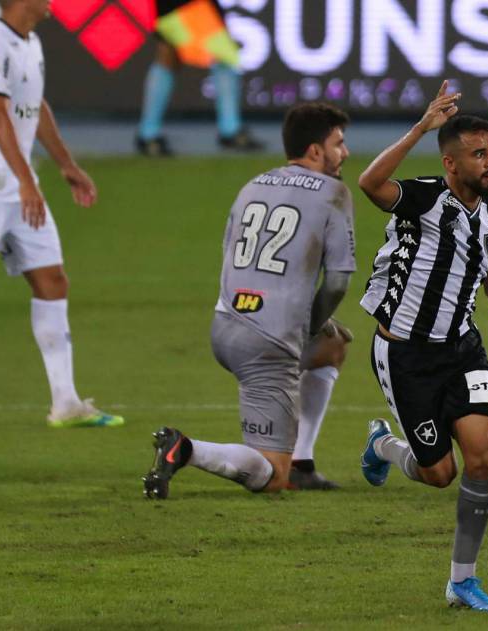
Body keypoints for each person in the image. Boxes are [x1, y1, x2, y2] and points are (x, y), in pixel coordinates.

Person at [356, 82, 488, 612]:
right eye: (479, 154)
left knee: (483, 457)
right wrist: (420, 126)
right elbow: (369, 182)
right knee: (439, 473)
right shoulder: (420, 199)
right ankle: (383, 447)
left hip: (463, 349)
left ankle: (462, 581)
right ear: (449, 162)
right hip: (405, 356)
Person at [0, 0, 123, 432]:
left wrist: (66, 164)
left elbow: (35, 107)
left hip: (18, 186)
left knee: (52, 279)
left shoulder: (31, 42)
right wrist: (28, 180)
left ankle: (65, 401)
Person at [143, 102, 355, 498]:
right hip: (268, 344)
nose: (345, 153)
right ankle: (185, 449)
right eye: (338, 144)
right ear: (314, 151)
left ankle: (303, 463)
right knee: (273, 476)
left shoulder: (253, 184)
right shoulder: (333, 192)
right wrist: (306, 322)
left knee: (332, 345)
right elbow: (339, 281)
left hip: (226, 325)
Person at [133, 0, 264, 157]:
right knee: (224, 55)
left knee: (169, 55)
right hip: (188, 5)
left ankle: (148, 133)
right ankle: (230, 130)